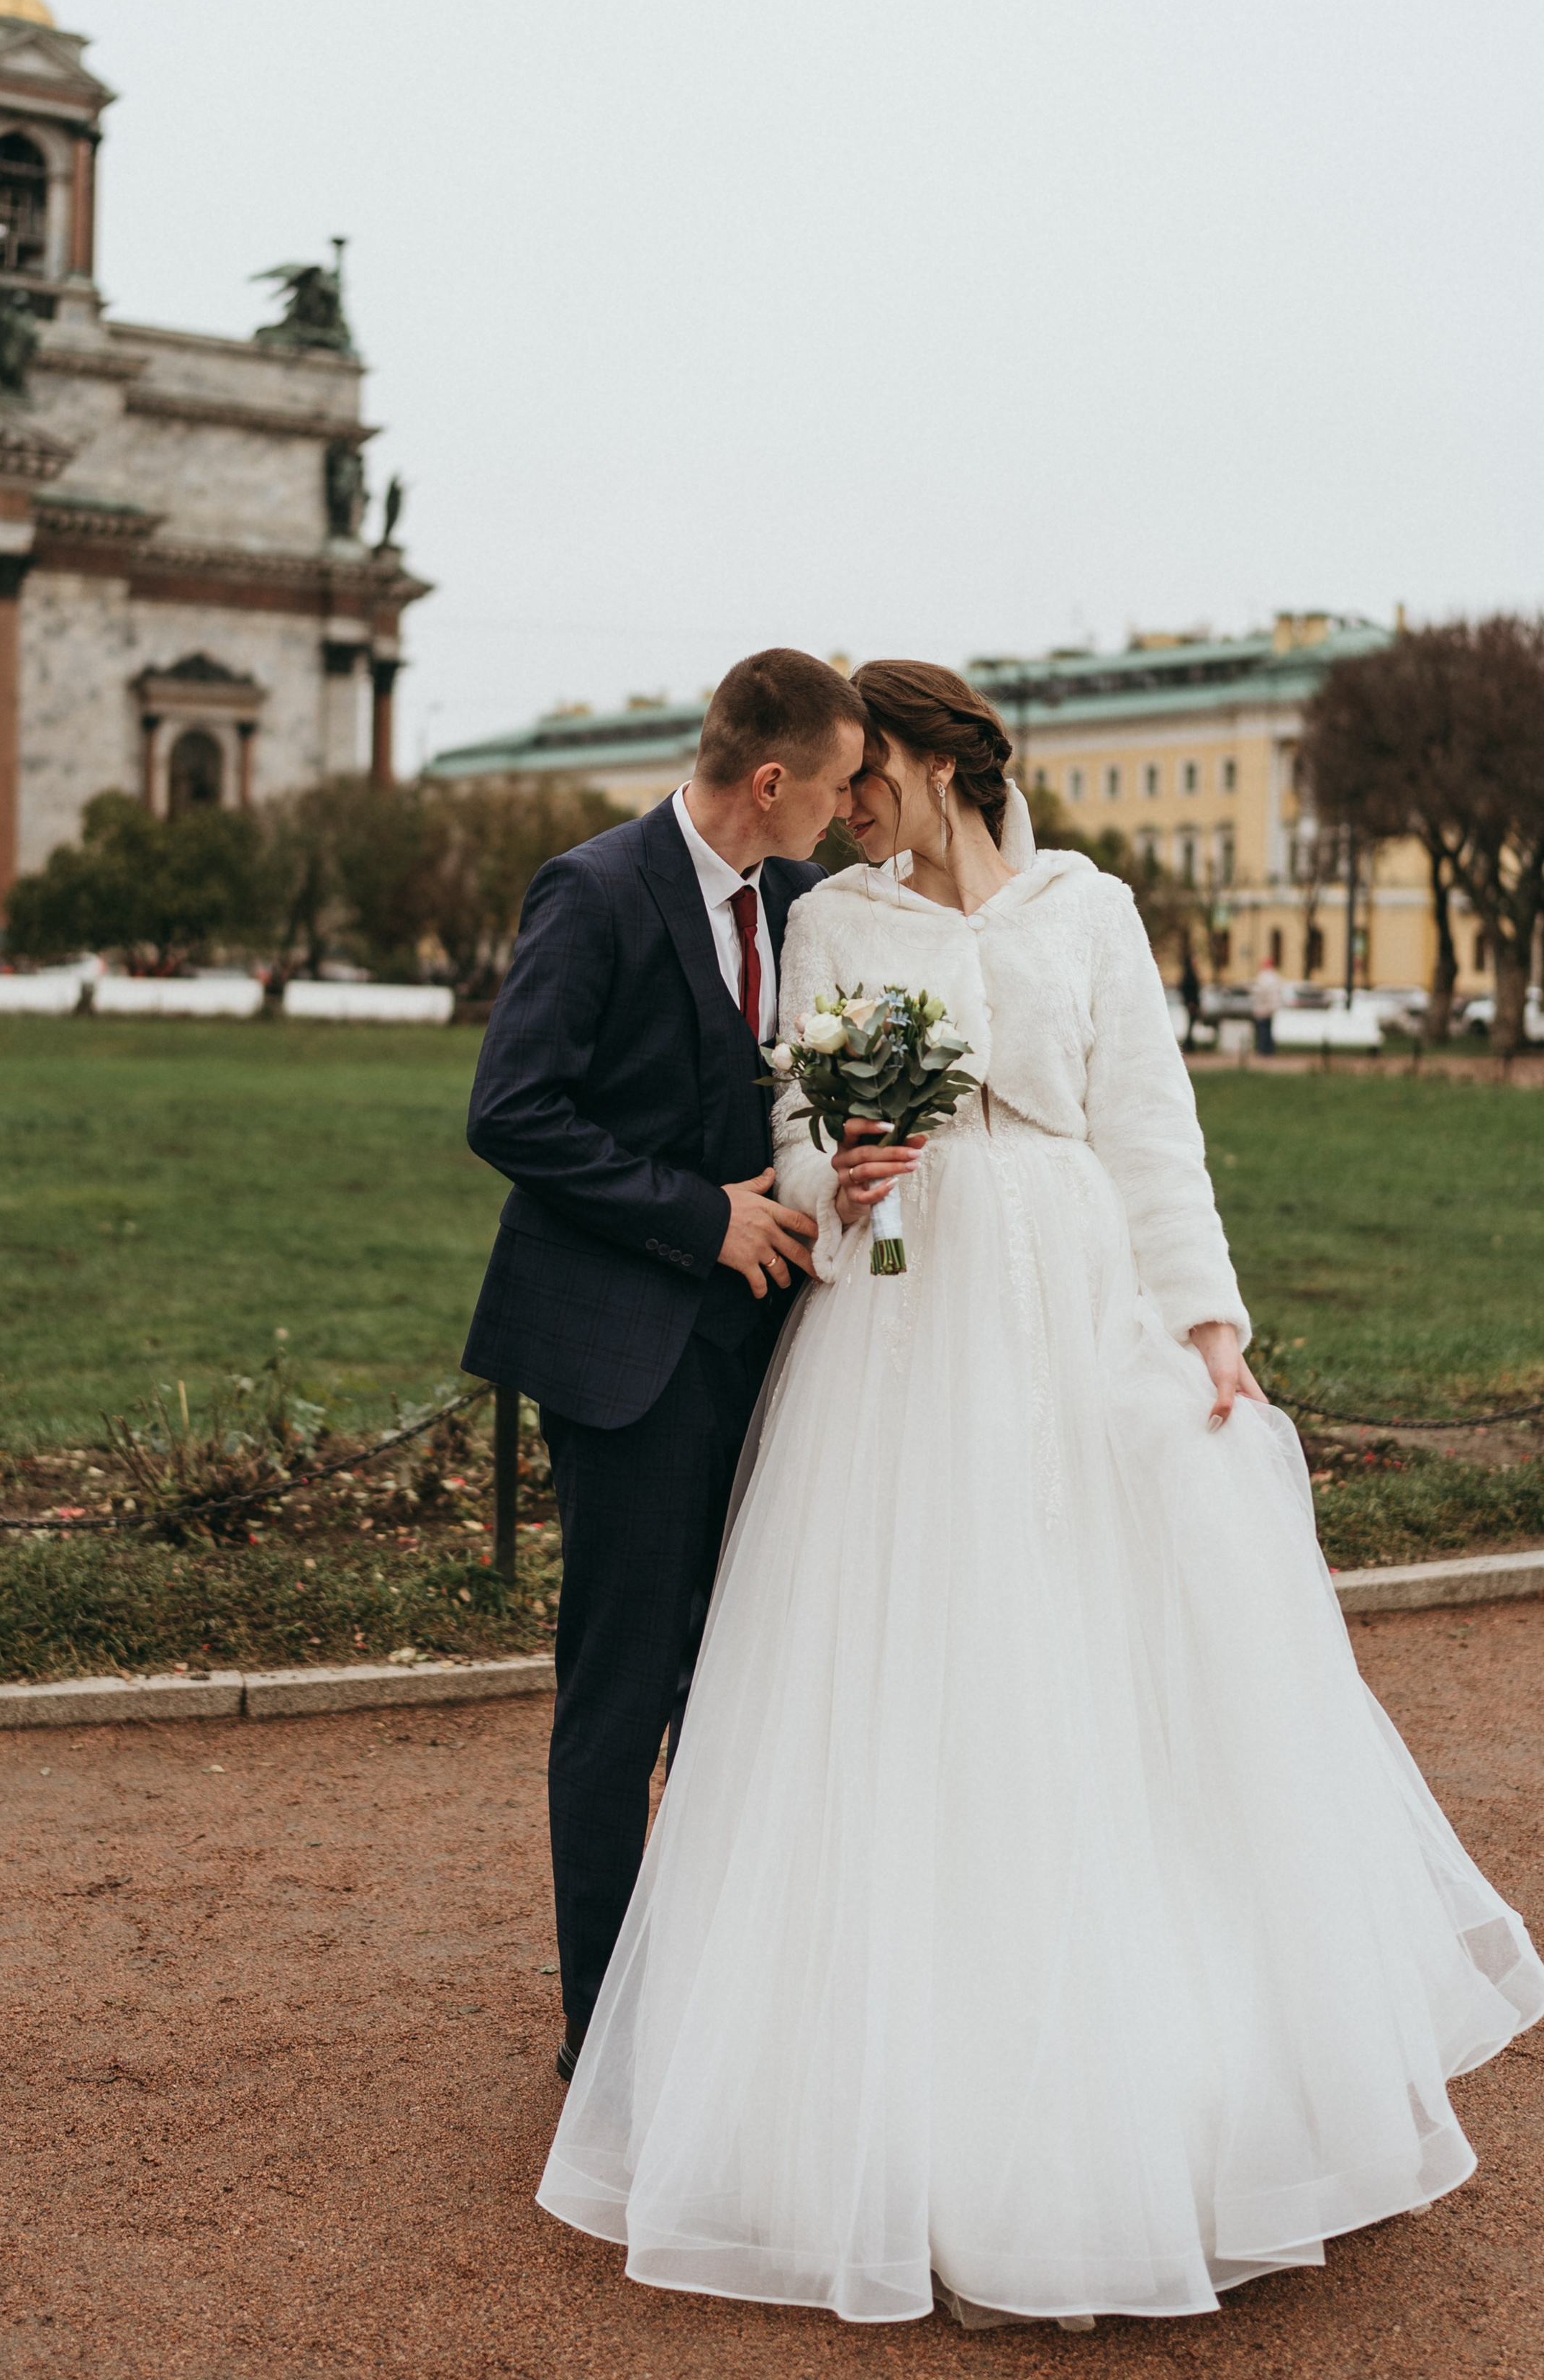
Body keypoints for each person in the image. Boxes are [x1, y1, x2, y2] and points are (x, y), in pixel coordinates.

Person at [540, 659, 1542, 2333]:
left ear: (935, 761)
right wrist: (828, 1169)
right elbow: (794, 1115)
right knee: (905, 1664)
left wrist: (1205, 1320)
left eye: (870, 778)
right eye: (836, 782)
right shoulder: (836, 923)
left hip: (1069, 1291)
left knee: (1099, 1654)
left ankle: (1156, 2070)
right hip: (901, 1311)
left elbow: (1151, 1126)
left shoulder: (1089, 907)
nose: (848, 804)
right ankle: (886, 2092)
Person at [463, 647, 868, 2084]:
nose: (844, 812)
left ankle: (702, 1993)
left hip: (765, 1358)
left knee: (736, 1682)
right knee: (620, 1695)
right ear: (768, 781)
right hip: (621, 1355)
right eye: (831, 788)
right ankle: (606, 2039)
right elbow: (511, 1110)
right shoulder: (592, 889)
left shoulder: (805, 905)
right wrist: (696, 1217)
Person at [1251, 953, 1284, 1054]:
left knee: (1263, 1030)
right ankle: (1269, 1049)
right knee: (1268, 1029)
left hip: (1263, 1007)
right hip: (1271, 1007)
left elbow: (1260, 992)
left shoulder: (1264, 977)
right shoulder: (1275, 977)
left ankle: (1264, 1050)